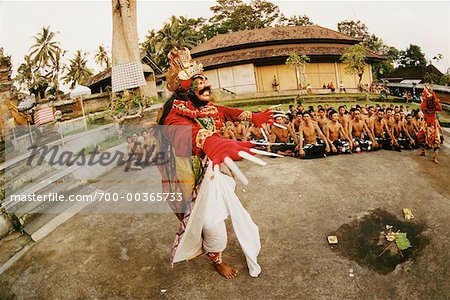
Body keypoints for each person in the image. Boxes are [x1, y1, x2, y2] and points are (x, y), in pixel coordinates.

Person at [158, 47, 275, 279]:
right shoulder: (175, 113)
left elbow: (230, 112)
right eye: (197, 81)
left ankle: (209, 243)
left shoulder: (209, 108)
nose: (204, 83)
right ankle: (217, 260)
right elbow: (181, 133)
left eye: (204, 79)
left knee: (213, 217)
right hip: (187, 177)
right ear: (185, 89)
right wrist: (209, 142)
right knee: (211, 225)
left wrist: (255, 117)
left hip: (210, 172)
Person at [417, 86, 443, 163]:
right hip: (425, 123)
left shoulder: (435, 103)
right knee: (419, 137)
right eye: (427, 96)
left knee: (436, 140)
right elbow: (422, 107)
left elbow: (440, 109)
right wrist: (425, 99)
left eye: (429, 97)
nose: (428, 98)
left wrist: (435, 100)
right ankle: (423, 151)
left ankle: (435, 157)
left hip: (433, 124)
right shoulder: (425, 103)